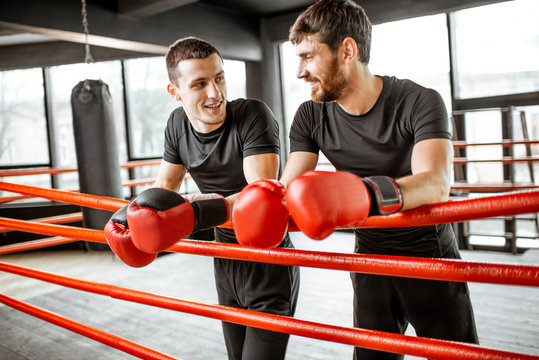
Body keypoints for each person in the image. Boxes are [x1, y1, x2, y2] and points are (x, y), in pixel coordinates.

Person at [277, 1, 479, 359]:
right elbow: (286, 189)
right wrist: (210, 210)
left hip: (428, 254)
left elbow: (435, 182)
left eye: (308, 57)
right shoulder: (310, 115)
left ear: (347, 51)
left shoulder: (419, 101)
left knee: (456, 356)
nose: (299, 72)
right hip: (369, 255)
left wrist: (363, 195)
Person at [105, 37, 299, 360]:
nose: (215, 93)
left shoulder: (252, 116)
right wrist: (126, 216)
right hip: (223, 262)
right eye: (200, 83)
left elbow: (261, 198)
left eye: (219, 77)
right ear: (175, 92)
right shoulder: (177, 125)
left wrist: (198, 211)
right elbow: (165, 184)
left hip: (267, 262)